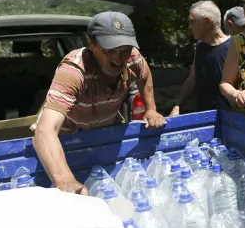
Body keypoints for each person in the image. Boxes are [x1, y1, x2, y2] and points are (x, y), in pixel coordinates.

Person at [32, 11, 166, 195]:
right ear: (91, 43)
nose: (119, 60)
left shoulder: (132, 57)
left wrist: (151, 109)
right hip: (68, 144)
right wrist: (66, 181)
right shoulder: (74, 71)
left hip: (105, 137)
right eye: (110, 51)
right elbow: (44, 131)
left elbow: (144, 75)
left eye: (124, 51)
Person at [170, 1, 231, 116]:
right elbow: (192, 79)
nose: (189, 26)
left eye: (192, 21)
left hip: (230, 118)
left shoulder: (233, 47)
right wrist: (178, 106)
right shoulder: (200, 47)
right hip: (205, 116)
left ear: (207, 21)